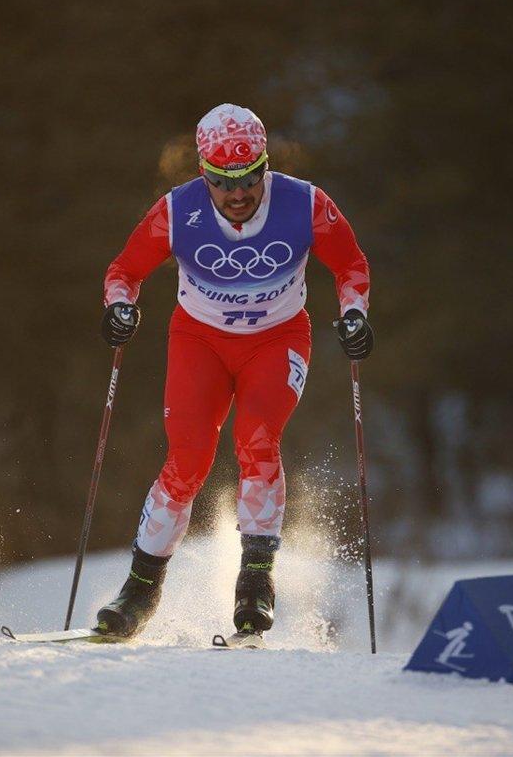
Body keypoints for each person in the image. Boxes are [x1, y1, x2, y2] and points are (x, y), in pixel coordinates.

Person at [94, 103, 373, 639]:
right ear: (204, 173)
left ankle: (255, 585)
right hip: (199, 340)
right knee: (187, 459)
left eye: (250, 177)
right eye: (223, 181)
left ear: (266, 165)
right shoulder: (177, 211)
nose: (238, 193)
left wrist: (355, 313)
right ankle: (140, 590)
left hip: (277, 338)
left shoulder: (306, 203)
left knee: (257, 440)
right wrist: (119, 307)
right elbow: (124, 271)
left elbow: (350, 264)